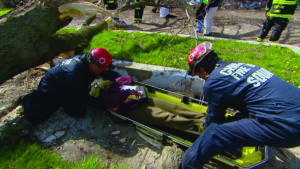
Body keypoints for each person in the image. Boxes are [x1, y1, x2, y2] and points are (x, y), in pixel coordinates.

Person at [180, 41, 300, 168]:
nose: (198, 77)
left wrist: (203, 135)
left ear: (202, 70)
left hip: (289, 127)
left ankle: (186, 166)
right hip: (292, 109)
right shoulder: (242, 66)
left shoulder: (213, 82)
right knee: (238, 116)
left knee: (215, 132)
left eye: (196, 74)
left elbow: (214, 120)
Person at [20, 48, 121, 124]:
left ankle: (64, 100)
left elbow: (108, 73)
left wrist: (122, 81)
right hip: (52, 87)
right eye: (100, 68)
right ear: (92, 63)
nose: (102, 71)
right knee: (34, 117)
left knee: (78, 112)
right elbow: (84, 96)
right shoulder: (74, 71)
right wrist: (106, 104)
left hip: (70, 87)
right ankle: (28, 97)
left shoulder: (92, 63)